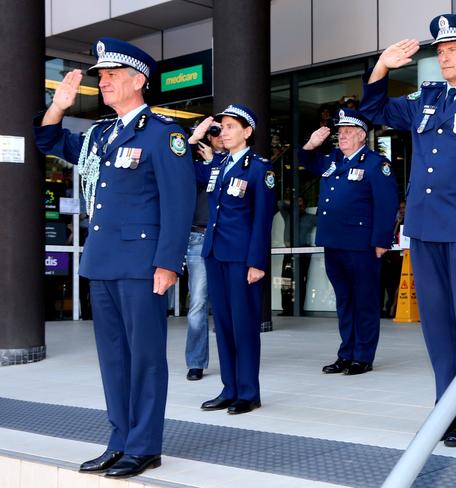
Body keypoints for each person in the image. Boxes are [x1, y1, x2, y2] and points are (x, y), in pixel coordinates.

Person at [33, 38, 195, 477]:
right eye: (100, 76)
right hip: (102, 261)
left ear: (138, 81)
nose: (102, 82)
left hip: (143, 263)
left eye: (111, 75)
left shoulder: (165, 135)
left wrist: (168, 263)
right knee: (113, 360)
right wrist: (59, 104)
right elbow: (47, 139)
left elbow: (178, 203)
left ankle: (144, 446)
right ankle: (119, 440)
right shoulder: (102, 134)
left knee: (145, 358)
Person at [360, 14, 456, 446]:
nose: (445, 56)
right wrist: (382, 67)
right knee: (435, 324)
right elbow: (372, 110)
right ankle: (447, 405)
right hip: (426, 227)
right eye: (440, 50)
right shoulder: (426, 98)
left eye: (453, 50)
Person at [299, 108, 399, 375]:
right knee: (344, 301)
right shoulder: (333, 160)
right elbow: (306, 160)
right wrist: (311, 144)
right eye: (340, 133)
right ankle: (346, 353)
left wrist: (381, 241)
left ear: (361, 136)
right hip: (334, 243)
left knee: (364, 301)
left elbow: (386, 205)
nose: (341, 137)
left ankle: (363, 356)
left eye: (346, 133)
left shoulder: (376, 164)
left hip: (361, 245)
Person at [192, 105, 275, 414]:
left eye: (229, 127)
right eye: (221, 127)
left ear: (247, 132)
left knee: (244, 325)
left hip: (242, 259)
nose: (223, 133)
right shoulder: (218, 165)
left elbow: (262, 219)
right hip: (215, 254)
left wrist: (257, 263)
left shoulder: (258, 169)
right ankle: (229, 387)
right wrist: (193, 139)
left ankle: (248, 392)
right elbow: (185, 168)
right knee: (223, 325)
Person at [184, 119, 226, 381]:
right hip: (199, 238)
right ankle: (196, 362)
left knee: (227, 304)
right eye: (215, 132)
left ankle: (232, 359)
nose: (221, 135)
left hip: (226, 239)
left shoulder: (238, 163)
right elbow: (179, 166)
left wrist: (215, 163)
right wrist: (209, 162)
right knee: (198, 303)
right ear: (207, 139)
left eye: (226, 130)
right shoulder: (199, 166)